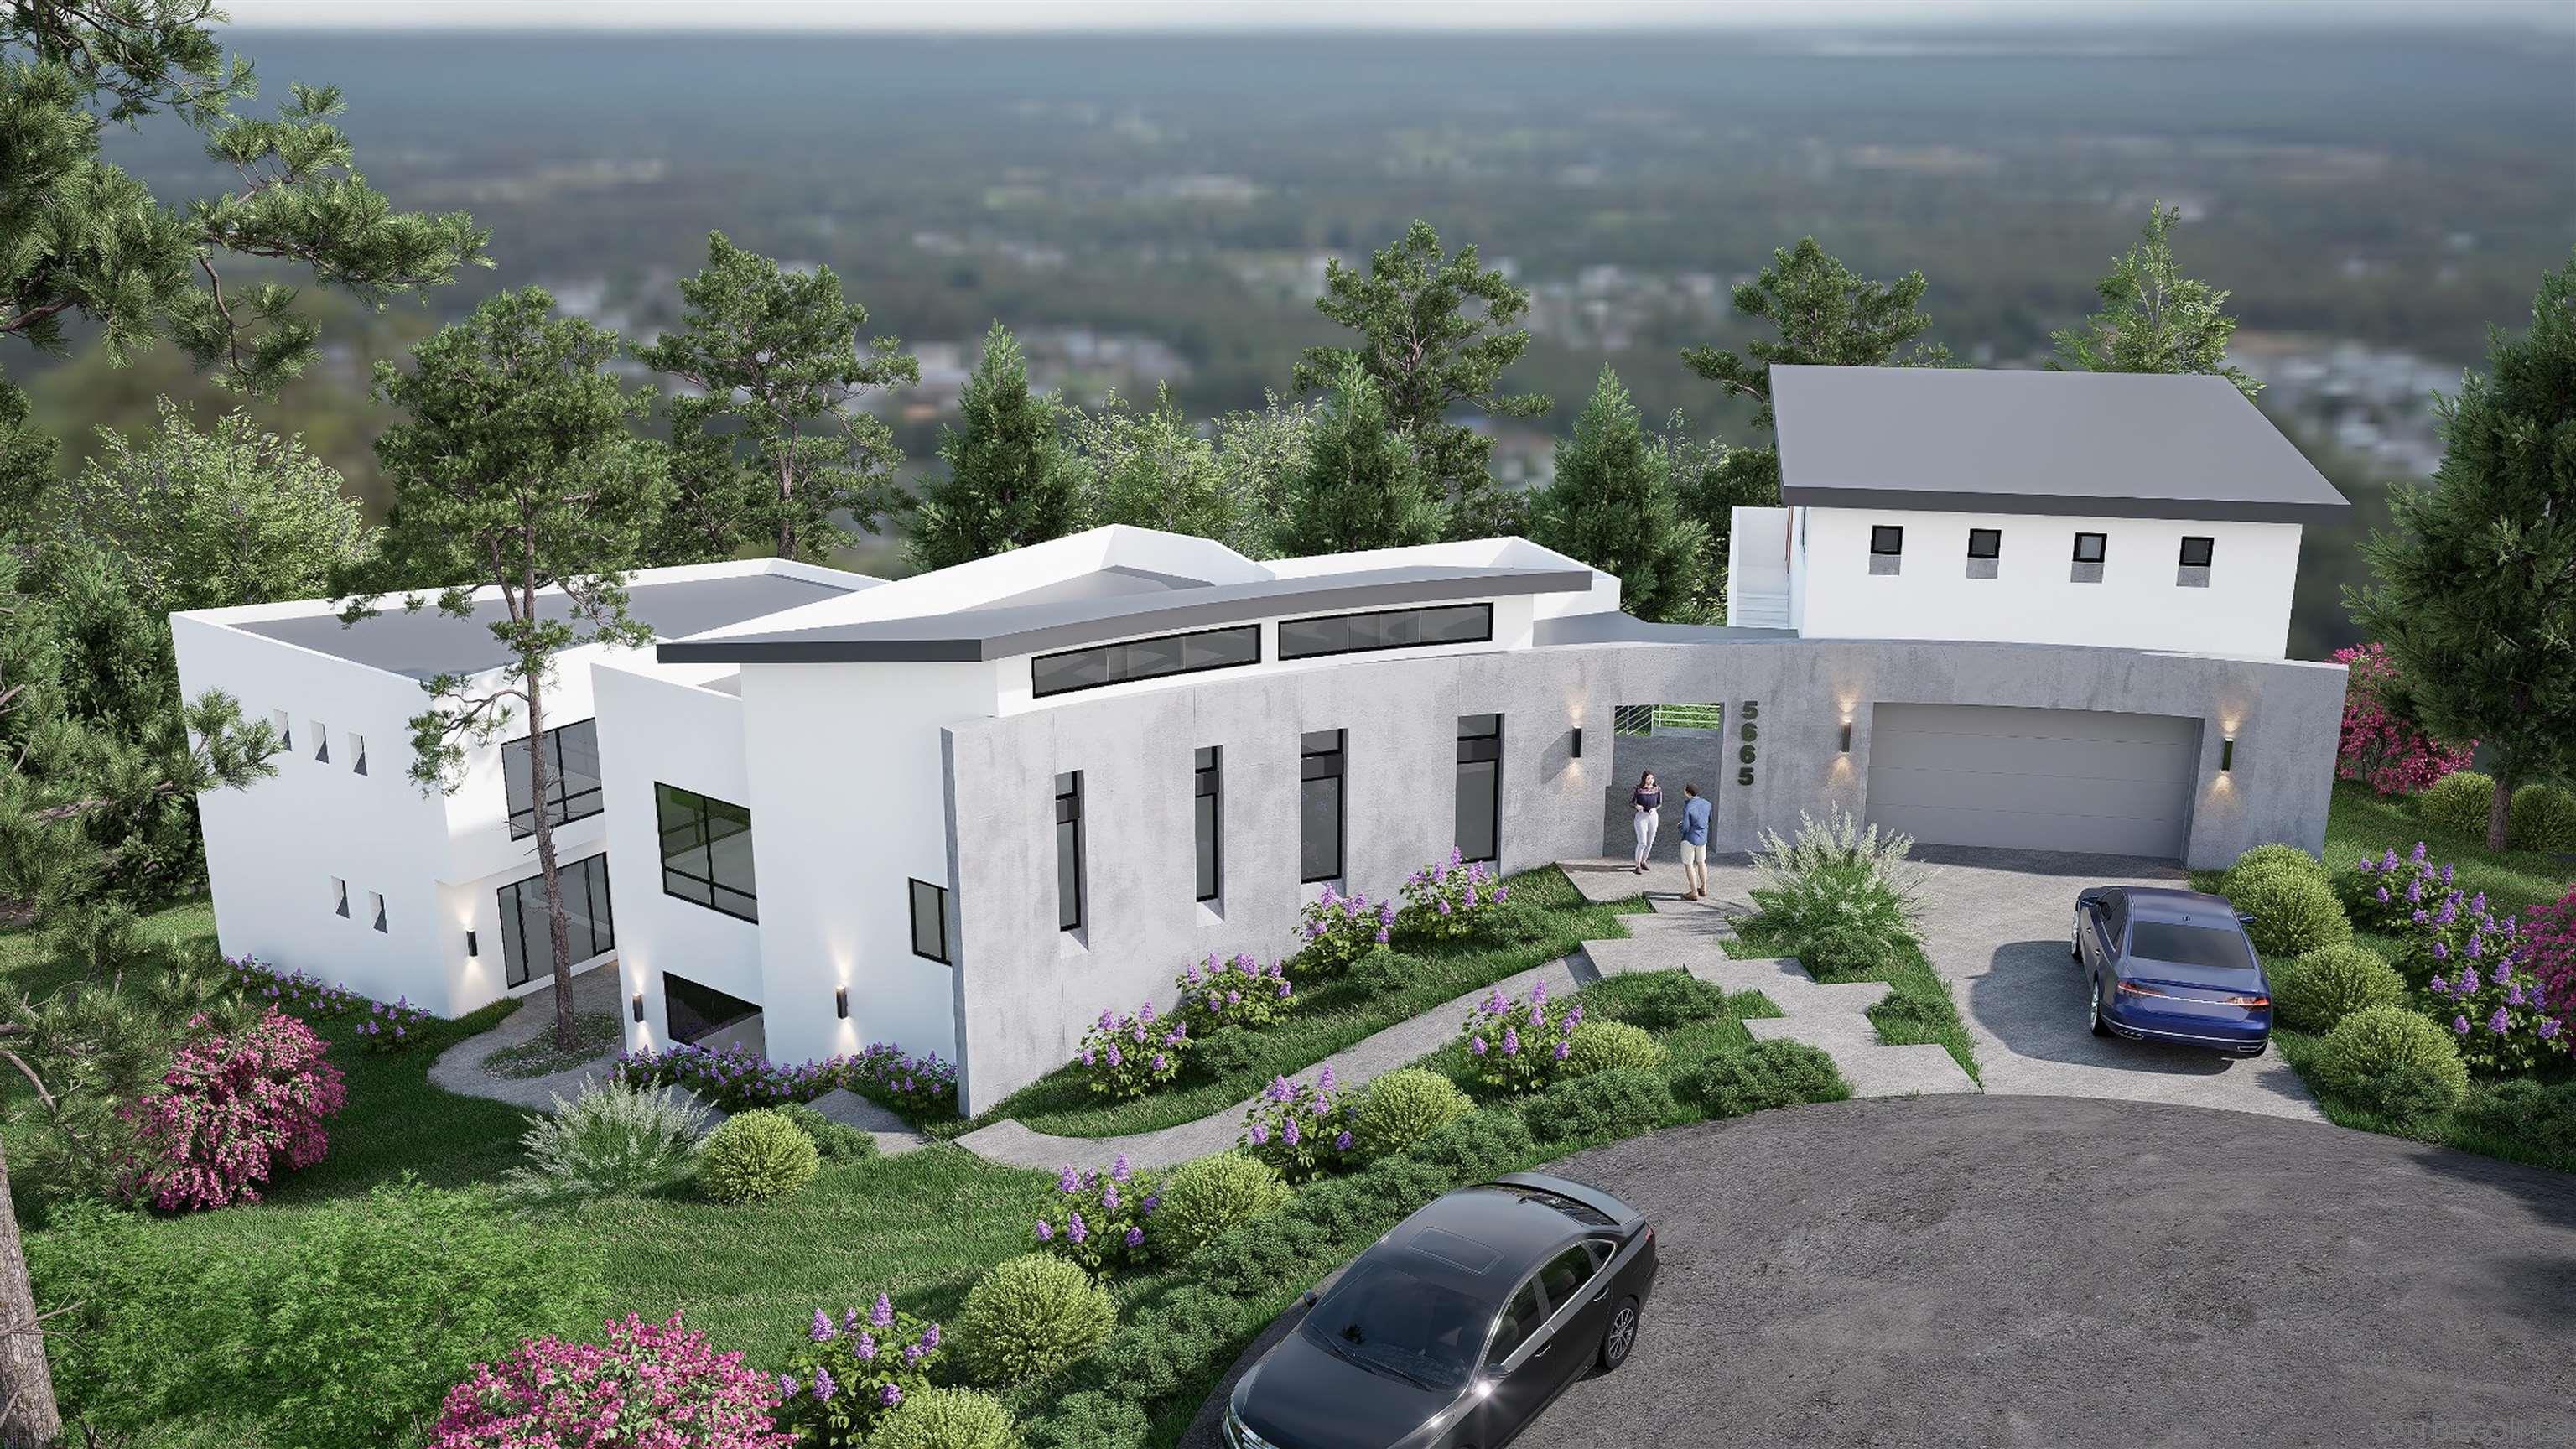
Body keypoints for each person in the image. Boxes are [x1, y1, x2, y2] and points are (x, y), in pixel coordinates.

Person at [1677, 782, 1713, 900]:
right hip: (1702, 838)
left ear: (1687, 793)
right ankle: (1704, 887)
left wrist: (1680, 826)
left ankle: (1693, 892)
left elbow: (1686, 828)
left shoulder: (1688, 807)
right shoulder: (1707, 804)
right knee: (1702, 862)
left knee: (1689, 865)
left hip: (1689, 839)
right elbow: (1709, 819)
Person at [1629, 771, 1662, 872]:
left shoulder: (1657, 789)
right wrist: (1636, 806)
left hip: (1653, 816)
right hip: (1641, 817)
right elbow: (1631, 802)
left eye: (1652, 778)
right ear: (1644, 779)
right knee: (1642, 842)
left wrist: (1655, 808)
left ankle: (1644, 861)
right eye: (1648, 778)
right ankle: (1637, 865)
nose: (1651, 780)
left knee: (1650, 841)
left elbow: (1660, 803)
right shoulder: (1638, 789)